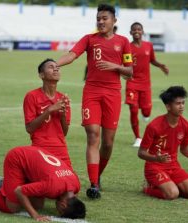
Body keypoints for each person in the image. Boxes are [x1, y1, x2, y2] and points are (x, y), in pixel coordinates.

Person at [56, 4, 133, 199]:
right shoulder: (89, 39)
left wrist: (114, 66)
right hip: (91, 92)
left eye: (104, 18)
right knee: (93, 135)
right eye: (98, 18)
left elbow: (130, 72)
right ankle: (93, 184)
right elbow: (72, 55)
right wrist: (54, 64)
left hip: (113, 94)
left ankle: (97, 175)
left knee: (107, 142)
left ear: (114, 21)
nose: (100, 21)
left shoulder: (123, 42)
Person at [0, 146, 86, 221]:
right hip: (17, 159)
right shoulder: (51, 187)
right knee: (12, 208)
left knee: (38, 205)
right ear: (63, 205)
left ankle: (3, 185)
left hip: (32, 156)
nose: (57, 210)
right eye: (60, 211)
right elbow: (19, 191)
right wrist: (35, 215)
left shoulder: (76, 185)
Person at [137, 86, 188, 200]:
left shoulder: (186, 126)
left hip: (174, 167)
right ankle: (147, 187)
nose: (181, 106)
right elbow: (141, 153)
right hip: (154, 167)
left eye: (183, 103)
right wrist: (156, 158)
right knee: (172, 194)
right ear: (168, 106)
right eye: (178, 103)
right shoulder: (154, 126)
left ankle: (171, 185)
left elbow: (184, 149)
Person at [126, 22, 169, 147]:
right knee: (133, 109)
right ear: (130, 32)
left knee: (146, 111)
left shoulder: (148, 45)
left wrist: (161, 66)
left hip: (145, 84)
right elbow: (125, 63)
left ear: (143, 32)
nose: (136, 31)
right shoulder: (127, 47)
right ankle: (138, 138)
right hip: (132, 83)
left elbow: (152, 60)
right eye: (134, 30)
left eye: (139, 29)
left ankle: (146, 114)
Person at [23, 58, 72, 167]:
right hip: (41, 146)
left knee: (72, 184)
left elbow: (64, 132)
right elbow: (29, 128)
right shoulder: (31, 96)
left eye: (57, 68)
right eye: (51, 67)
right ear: (41, 75)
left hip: (60, 147)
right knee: (50, 181)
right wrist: (49, 110)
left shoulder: (63, 99)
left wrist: (63, 115)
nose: (56, 69)